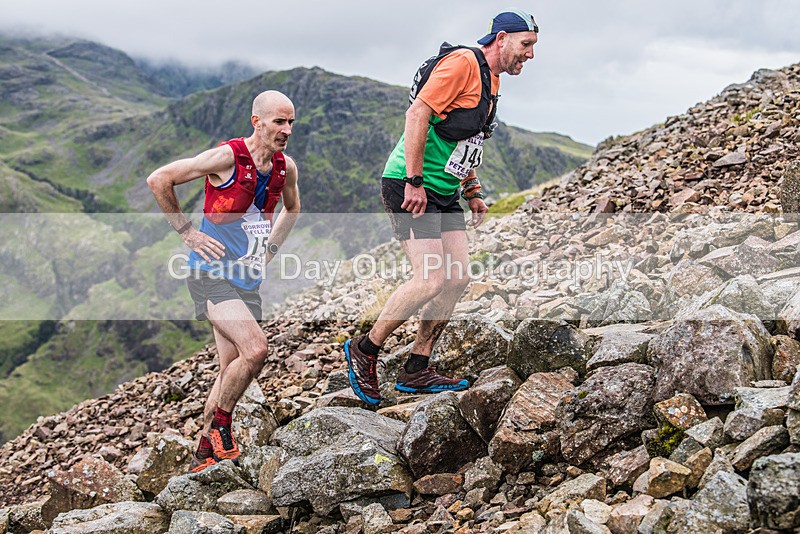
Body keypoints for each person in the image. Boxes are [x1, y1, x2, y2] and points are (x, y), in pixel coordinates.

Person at [344, 10, 539, 405]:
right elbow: (417, 114)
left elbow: (468, 141)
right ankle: (365, 350)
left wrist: (472, 190)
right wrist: (414, 181)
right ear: (501, 38)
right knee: (431, 278)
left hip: (445, 190)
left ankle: (417, 368)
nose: (530, 55)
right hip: (409, 184)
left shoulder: (493, 78)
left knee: (458, 277)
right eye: (526, 45)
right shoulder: (463, 63)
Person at [147, 90, 301, 471]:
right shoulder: (227, 157)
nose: (286, 130)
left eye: (291, 123)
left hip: (245, 278)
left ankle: (204, 453)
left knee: (230, 367)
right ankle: (222, 426)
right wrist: (186, 232)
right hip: (209, 273)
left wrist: (270, 252)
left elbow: (293, 208)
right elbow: (159, 179)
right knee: (256, 349)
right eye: (279, 122)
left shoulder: (285, 167)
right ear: (257, 121)